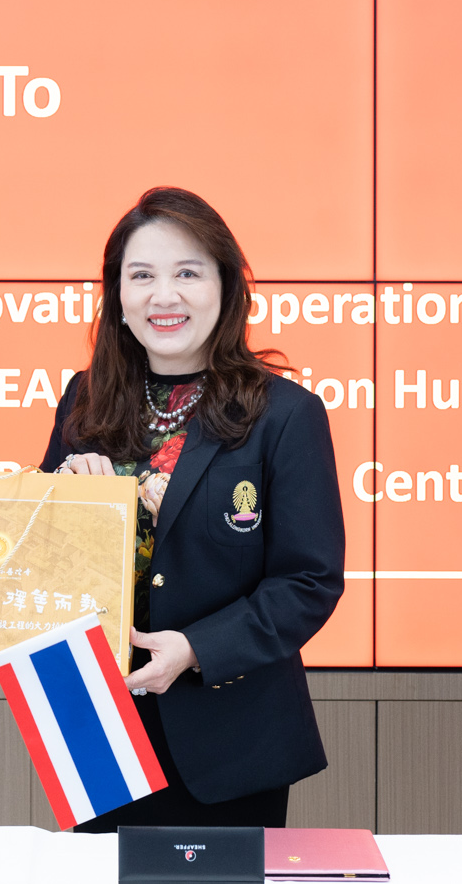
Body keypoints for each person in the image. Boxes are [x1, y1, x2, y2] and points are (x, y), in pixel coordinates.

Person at [41, 186, 344, 829]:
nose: (164, 296)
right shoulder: (83, 401)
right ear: (118, 295)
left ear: (225, 288)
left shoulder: (285, 414)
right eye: (143, 275)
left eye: (187, 273)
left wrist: (197, 649)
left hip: (230, 736)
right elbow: (39, 565)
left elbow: (308, 582)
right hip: (97, 731)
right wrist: (64, 503)